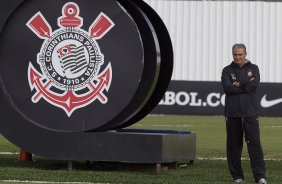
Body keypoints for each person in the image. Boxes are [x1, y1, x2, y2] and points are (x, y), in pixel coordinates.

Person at [221, 44, 267, 184]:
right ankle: (237, 177)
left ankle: (260, 177)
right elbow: (228, 88)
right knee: (234, 147)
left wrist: (237, 84)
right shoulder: (227, 70)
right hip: (232, 114)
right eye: (235, 54)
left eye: (240, 54)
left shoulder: (254, 68)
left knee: (255, 146)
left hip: (250, 114)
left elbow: (254, 85)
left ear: (245, 53)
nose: (237, 57)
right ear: (232, 54)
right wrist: (244, 85)